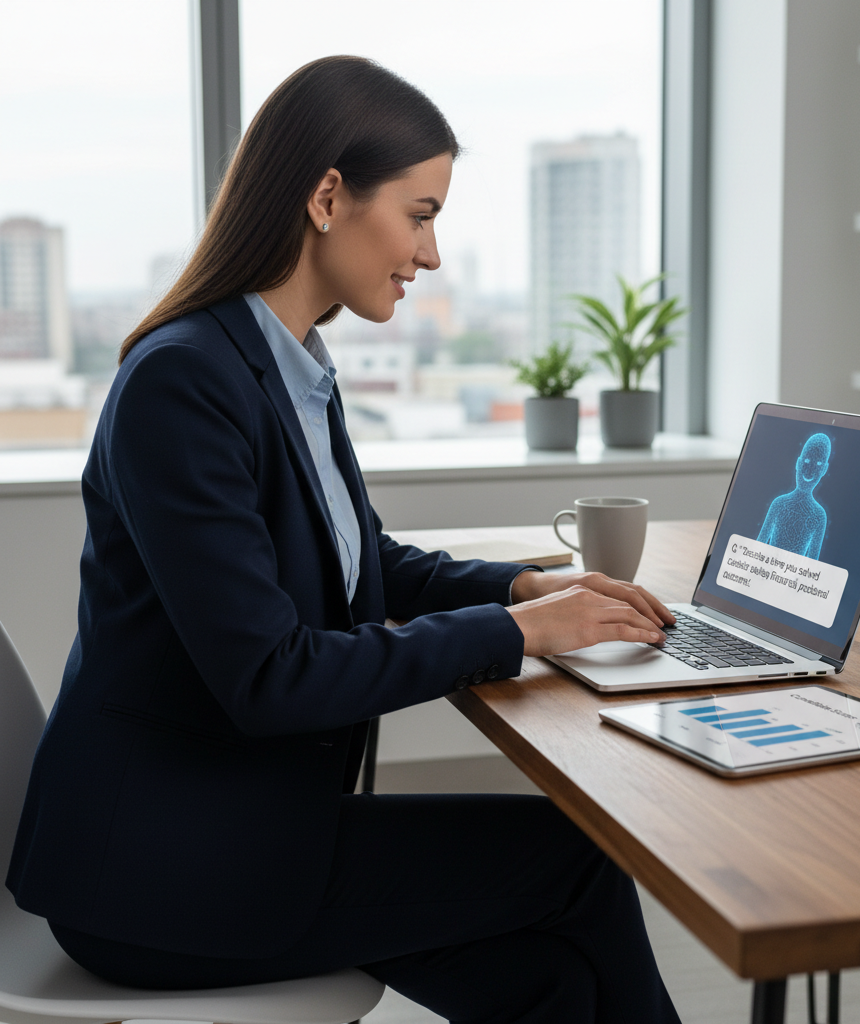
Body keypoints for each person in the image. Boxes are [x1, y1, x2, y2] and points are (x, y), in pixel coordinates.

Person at [6, 57, 682, 1023]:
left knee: (554, 983)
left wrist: (524, 589)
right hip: (157, 875)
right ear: (328, 196)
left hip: (242, 828)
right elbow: (270, 676)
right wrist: (521, 637)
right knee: (577, 859)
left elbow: (364, 564)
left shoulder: (286, 368)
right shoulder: (183, 384)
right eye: (420, 213)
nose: (433, 252)